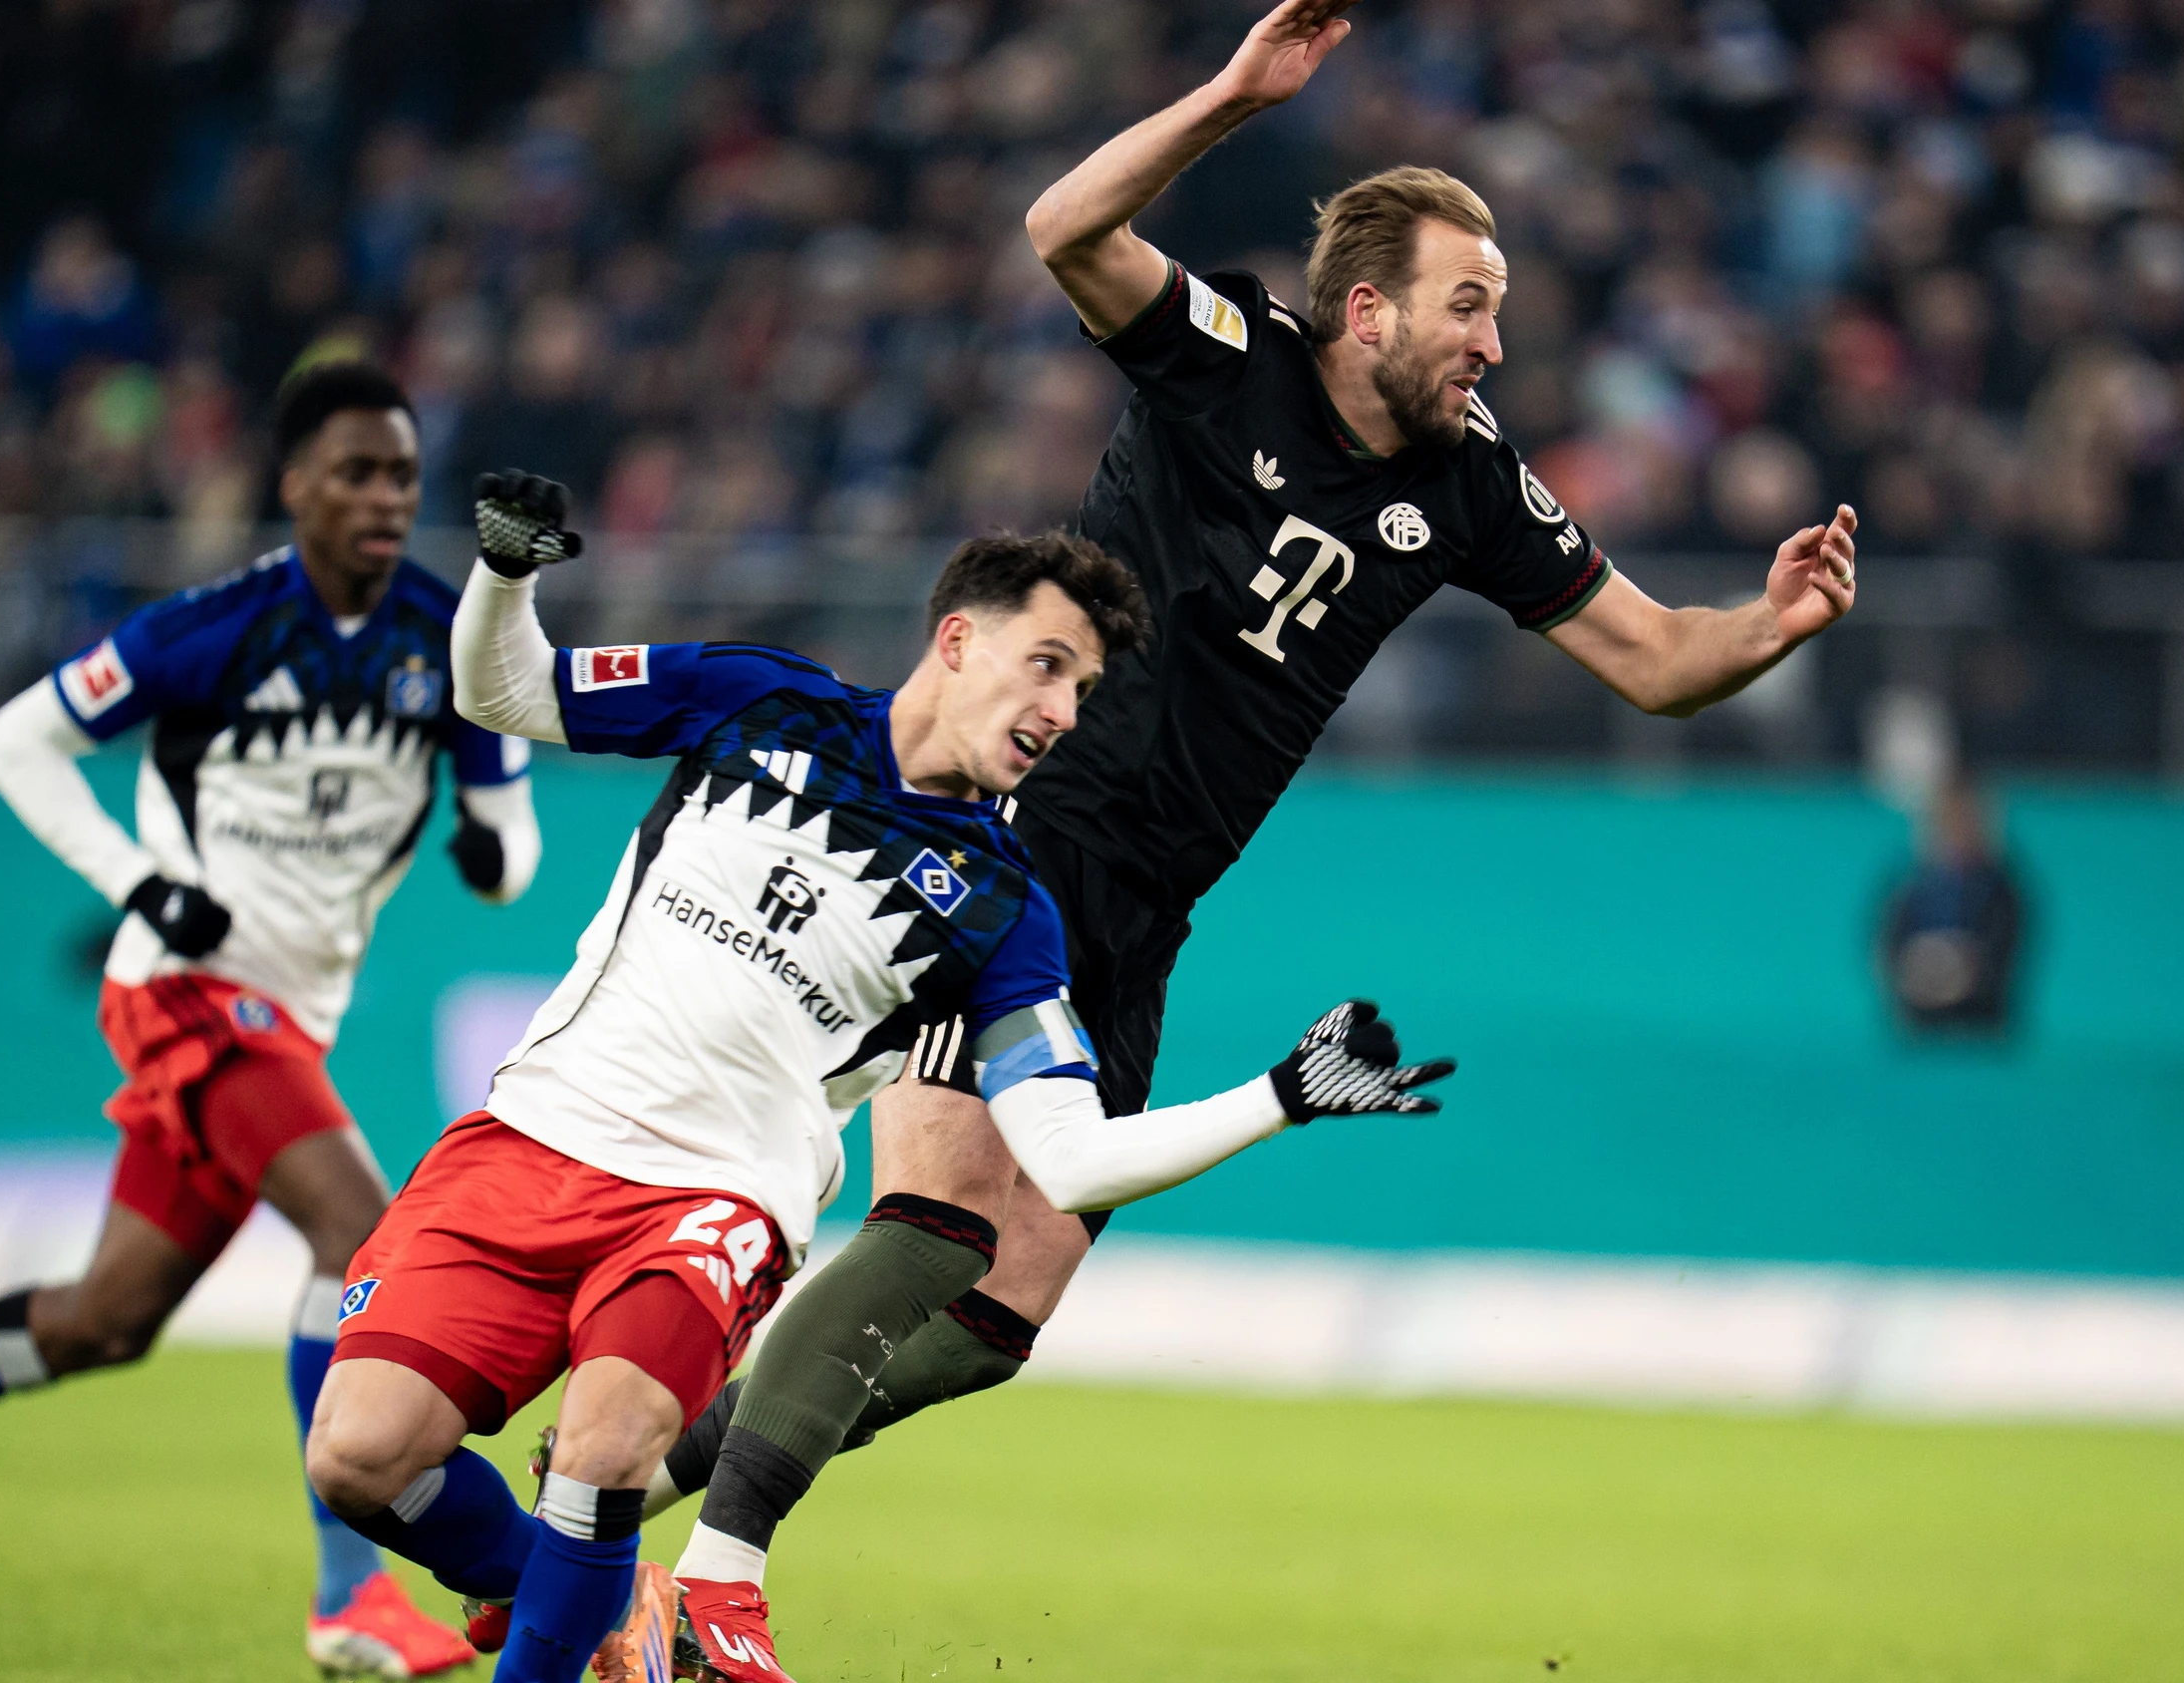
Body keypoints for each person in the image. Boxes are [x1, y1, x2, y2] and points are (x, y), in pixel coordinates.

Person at [647, 5, 1863, 1675]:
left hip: (1151, 903)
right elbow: (1061, 229)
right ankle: (710, 1577)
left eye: (1497, 312)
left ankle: (610, 1496)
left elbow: (1656, 661)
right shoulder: (1229, 359)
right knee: (932, 1225)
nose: (1492, 345)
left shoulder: (1478, 483)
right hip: (1019, 839)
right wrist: (1232, 95)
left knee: (993, 1319)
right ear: (1366, 309)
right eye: (1467, 307)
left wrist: (1774, 619)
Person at [295, 478, 1450, 1683]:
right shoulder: (759, 698)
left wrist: (1277, 1096)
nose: (1063, 709)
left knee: (606, 1446)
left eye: (1084, 689)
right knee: (360, 1456)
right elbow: (507, 689)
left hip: (712, 1199)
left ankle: (590, 1593)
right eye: (1046, 665)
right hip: (530, 1137)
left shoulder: (1005, 908)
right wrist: (507, 573)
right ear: (957, 639)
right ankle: (583, 1589)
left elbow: (1065, 1156)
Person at [0, 362, 539, 1680]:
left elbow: (509, 839)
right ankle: (354, 1595)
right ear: (295, 486)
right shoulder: (213, 626)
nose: (385, 497)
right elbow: (16, 739)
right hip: (187, 994)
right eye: (358, 472)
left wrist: (494, 846)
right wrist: (142, 882)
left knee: (103, 1321)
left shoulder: (448, 637)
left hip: (287, 1021)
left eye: (402, 476)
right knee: (360, 1235)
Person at [1880, 774, 2027, 1036]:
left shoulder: (2000, 891)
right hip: (1919, 1026)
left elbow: (2005, 950)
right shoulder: (1913, 887)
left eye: (1965, 820)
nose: (1957, 830)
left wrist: (1966, 973)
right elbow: (1888, 945)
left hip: (1981, 1027)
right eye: (1949, 821)